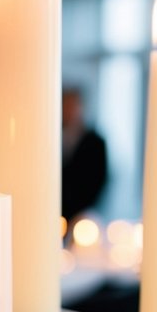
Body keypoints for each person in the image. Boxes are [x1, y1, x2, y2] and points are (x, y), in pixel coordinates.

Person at [61, 87, 108, 226]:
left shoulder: (96, 142)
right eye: (66, 105)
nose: (70, 110)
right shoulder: (52, 137)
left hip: (84, 213)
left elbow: (99, 178)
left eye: (74, 105)